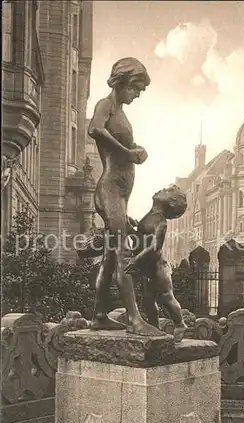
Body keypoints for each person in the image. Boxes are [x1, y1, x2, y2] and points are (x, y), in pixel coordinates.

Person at [88, 57, 161, 336]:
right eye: (135, 88)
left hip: (120, 192)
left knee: (109, 257)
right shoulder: (105, 105)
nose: (138, 94)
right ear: (122, 82)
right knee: (122, 253)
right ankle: (134, 319)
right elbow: (94, 129)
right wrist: (127, 152)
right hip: (109, 190)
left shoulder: (120, 111)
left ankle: (98, 315)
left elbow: (122, 147)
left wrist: (136, 150)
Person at [123, 185, 188, 341]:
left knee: (167, 297)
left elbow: (155, 247)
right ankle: (154, 327)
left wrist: (136, 259)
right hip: (148, 269)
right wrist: (131, 228)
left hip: (158, 269)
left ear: (171, 203)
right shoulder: (151, 215)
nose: (161, 190)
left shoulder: (160, 222)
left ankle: (180, 324)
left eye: (166, 191)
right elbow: (141, 238)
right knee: (148, 300)